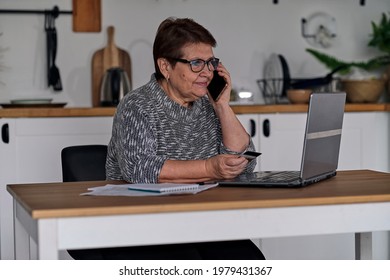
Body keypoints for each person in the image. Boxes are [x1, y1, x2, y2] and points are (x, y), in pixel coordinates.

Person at [89, 17, 265, 260]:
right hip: (141, 225)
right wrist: (209, 167)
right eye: (196, 63)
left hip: (202, 221)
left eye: (211, 62)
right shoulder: (137, 105)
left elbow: (244, 161)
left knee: (251, 262)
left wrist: (223, 106)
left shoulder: (207, 103)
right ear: (165, 67)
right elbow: (140, 169)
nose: (207, 72)